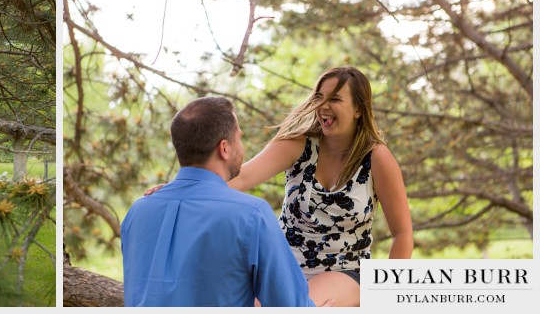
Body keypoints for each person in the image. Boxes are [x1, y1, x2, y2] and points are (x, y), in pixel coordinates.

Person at [145, 67, 414, 307]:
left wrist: (386, 299)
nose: (323, 106)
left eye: (335, 99)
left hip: (345, 272)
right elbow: (240, 178)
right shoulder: (298, 145)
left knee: (303, 305)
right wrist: (181, 188)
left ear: (358, 109)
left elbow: (402, 234)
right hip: (281, 269)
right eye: (319, 97)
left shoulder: (377, 158)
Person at [122, 96, 328, 307]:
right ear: (224, 148)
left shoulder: (138, 210)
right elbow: (290, 305)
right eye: (238, 138)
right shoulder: (251, 215)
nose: (242, 145)